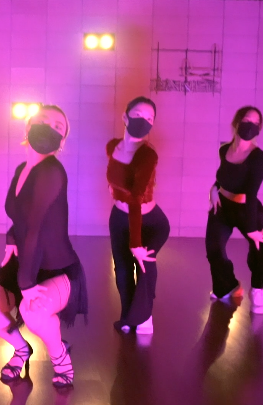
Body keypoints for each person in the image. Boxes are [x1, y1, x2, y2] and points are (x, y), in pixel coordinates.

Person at [0, 105, 88, 388]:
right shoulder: (22, 169)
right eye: (43, 121)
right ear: (28, 127)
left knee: (33, 310)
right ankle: (21, 349)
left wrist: (26, 282)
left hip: (56, 266)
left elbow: (37, 227)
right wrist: (11, 240)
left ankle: (60, 356)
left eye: (57, 127)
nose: (49, 128)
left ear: (61, 141)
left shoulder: (52, 172)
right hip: (26, 258)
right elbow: (21, 217)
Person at [107, 96, 170, 335]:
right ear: (125, 117)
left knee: (144, 265)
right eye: (138, 115)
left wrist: (135, 243)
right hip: (119, 218)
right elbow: (116, 176)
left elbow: (135, 198)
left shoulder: (147, 155)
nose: (144, 121)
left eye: (149, 118)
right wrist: (114, 189)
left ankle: (144, 317)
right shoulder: (112, 147)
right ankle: (127, 316)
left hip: (151, 222)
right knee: (122, 268)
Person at [206, 106, 263, 314]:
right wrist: (214, 189)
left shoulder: (259, 157)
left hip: (246, 208)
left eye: (256, 123)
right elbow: (223, 177)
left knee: (261, 249)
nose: (251, 125)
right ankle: (228, 286)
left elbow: (251, 192)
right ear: (236, 122)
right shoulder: (224, 150)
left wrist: (252, 228)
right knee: (214, 248)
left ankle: (258, 289)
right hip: (222, 206)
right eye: (247, 120)